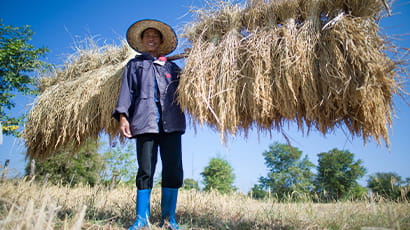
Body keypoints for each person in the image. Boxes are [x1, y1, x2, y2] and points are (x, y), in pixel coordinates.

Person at [112, 19, 186, 230]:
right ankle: (141, 219)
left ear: (161, 41)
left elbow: (188, 92)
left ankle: (168, 219)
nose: (151, 38)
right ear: (142, 41)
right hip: (145, 123)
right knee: (146, 169)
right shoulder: (135, 65)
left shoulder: (173, 67)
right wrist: (123, 118)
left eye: (155, 36)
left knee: (173, 170)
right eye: (147, 36)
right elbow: (126, 92)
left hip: (171, 124)